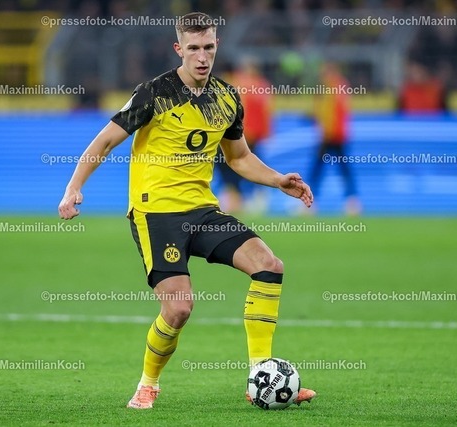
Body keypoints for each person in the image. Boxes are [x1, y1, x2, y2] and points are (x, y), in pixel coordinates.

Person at [58, 12, 316, 410]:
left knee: (270, 266)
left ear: (217, 46)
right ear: (179, 49)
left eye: (208, 47)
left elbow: (239, 157)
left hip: (203, 211)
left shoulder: (227, 98)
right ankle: (148, 384)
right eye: (193, 48)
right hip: (156, 214)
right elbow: (105, 140)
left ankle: (260, 378)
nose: (202, 57)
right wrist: (74, 187)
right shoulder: (154, 93)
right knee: (178, 309)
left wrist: (277, 180)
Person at [216, 56, 273, 213]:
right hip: (250, 134)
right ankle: (246, 195)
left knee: (231, 164)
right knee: (247, 165)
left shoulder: (240, 83)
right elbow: (266, 111)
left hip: (243, 133)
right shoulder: (262, 85)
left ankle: (237, 196)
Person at [309, 62, 361, 216]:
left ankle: (310, 201)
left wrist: (325, 130)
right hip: (336, 135)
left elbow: (330, 113)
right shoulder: (339, 86)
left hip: (331, 136)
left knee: (319, 169)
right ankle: (352, 201)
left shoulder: (332, 88)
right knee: (342, 169)